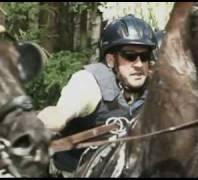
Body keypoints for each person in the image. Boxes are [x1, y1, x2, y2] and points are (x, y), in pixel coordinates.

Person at [37, 14, 157, 177]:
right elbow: (61, 113)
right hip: (70, 173)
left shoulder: (155, 88)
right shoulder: (89, 82)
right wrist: (49, 120)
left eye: (144, 57)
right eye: (130, 56)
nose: (138, 64)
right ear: (110, 60)